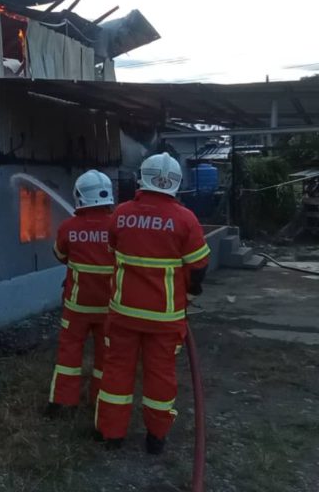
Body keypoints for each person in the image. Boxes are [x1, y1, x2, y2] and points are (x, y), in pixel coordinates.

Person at [95, 152, 210, 454]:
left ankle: (112, 434)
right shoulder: (185, 218)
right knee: (161, 374)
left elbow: (112, 249)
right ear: (175, 182)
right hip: (165, 317)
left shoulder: (120, 213)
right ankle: (156, 437)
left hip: (123, 314)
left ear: (141, 178)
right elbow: (198, 265)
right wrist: (193, 289)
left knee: (117, 371)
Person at [47, 170, 115, 418]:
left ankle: (63, 403)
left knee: (69, 353)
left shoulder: (68, 227)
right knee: (105, 356)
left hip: (77, 306)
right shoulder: (117, 225)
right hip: (110, 306)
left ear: (80, 196)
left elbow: (60, 255)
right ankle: (99, 399)